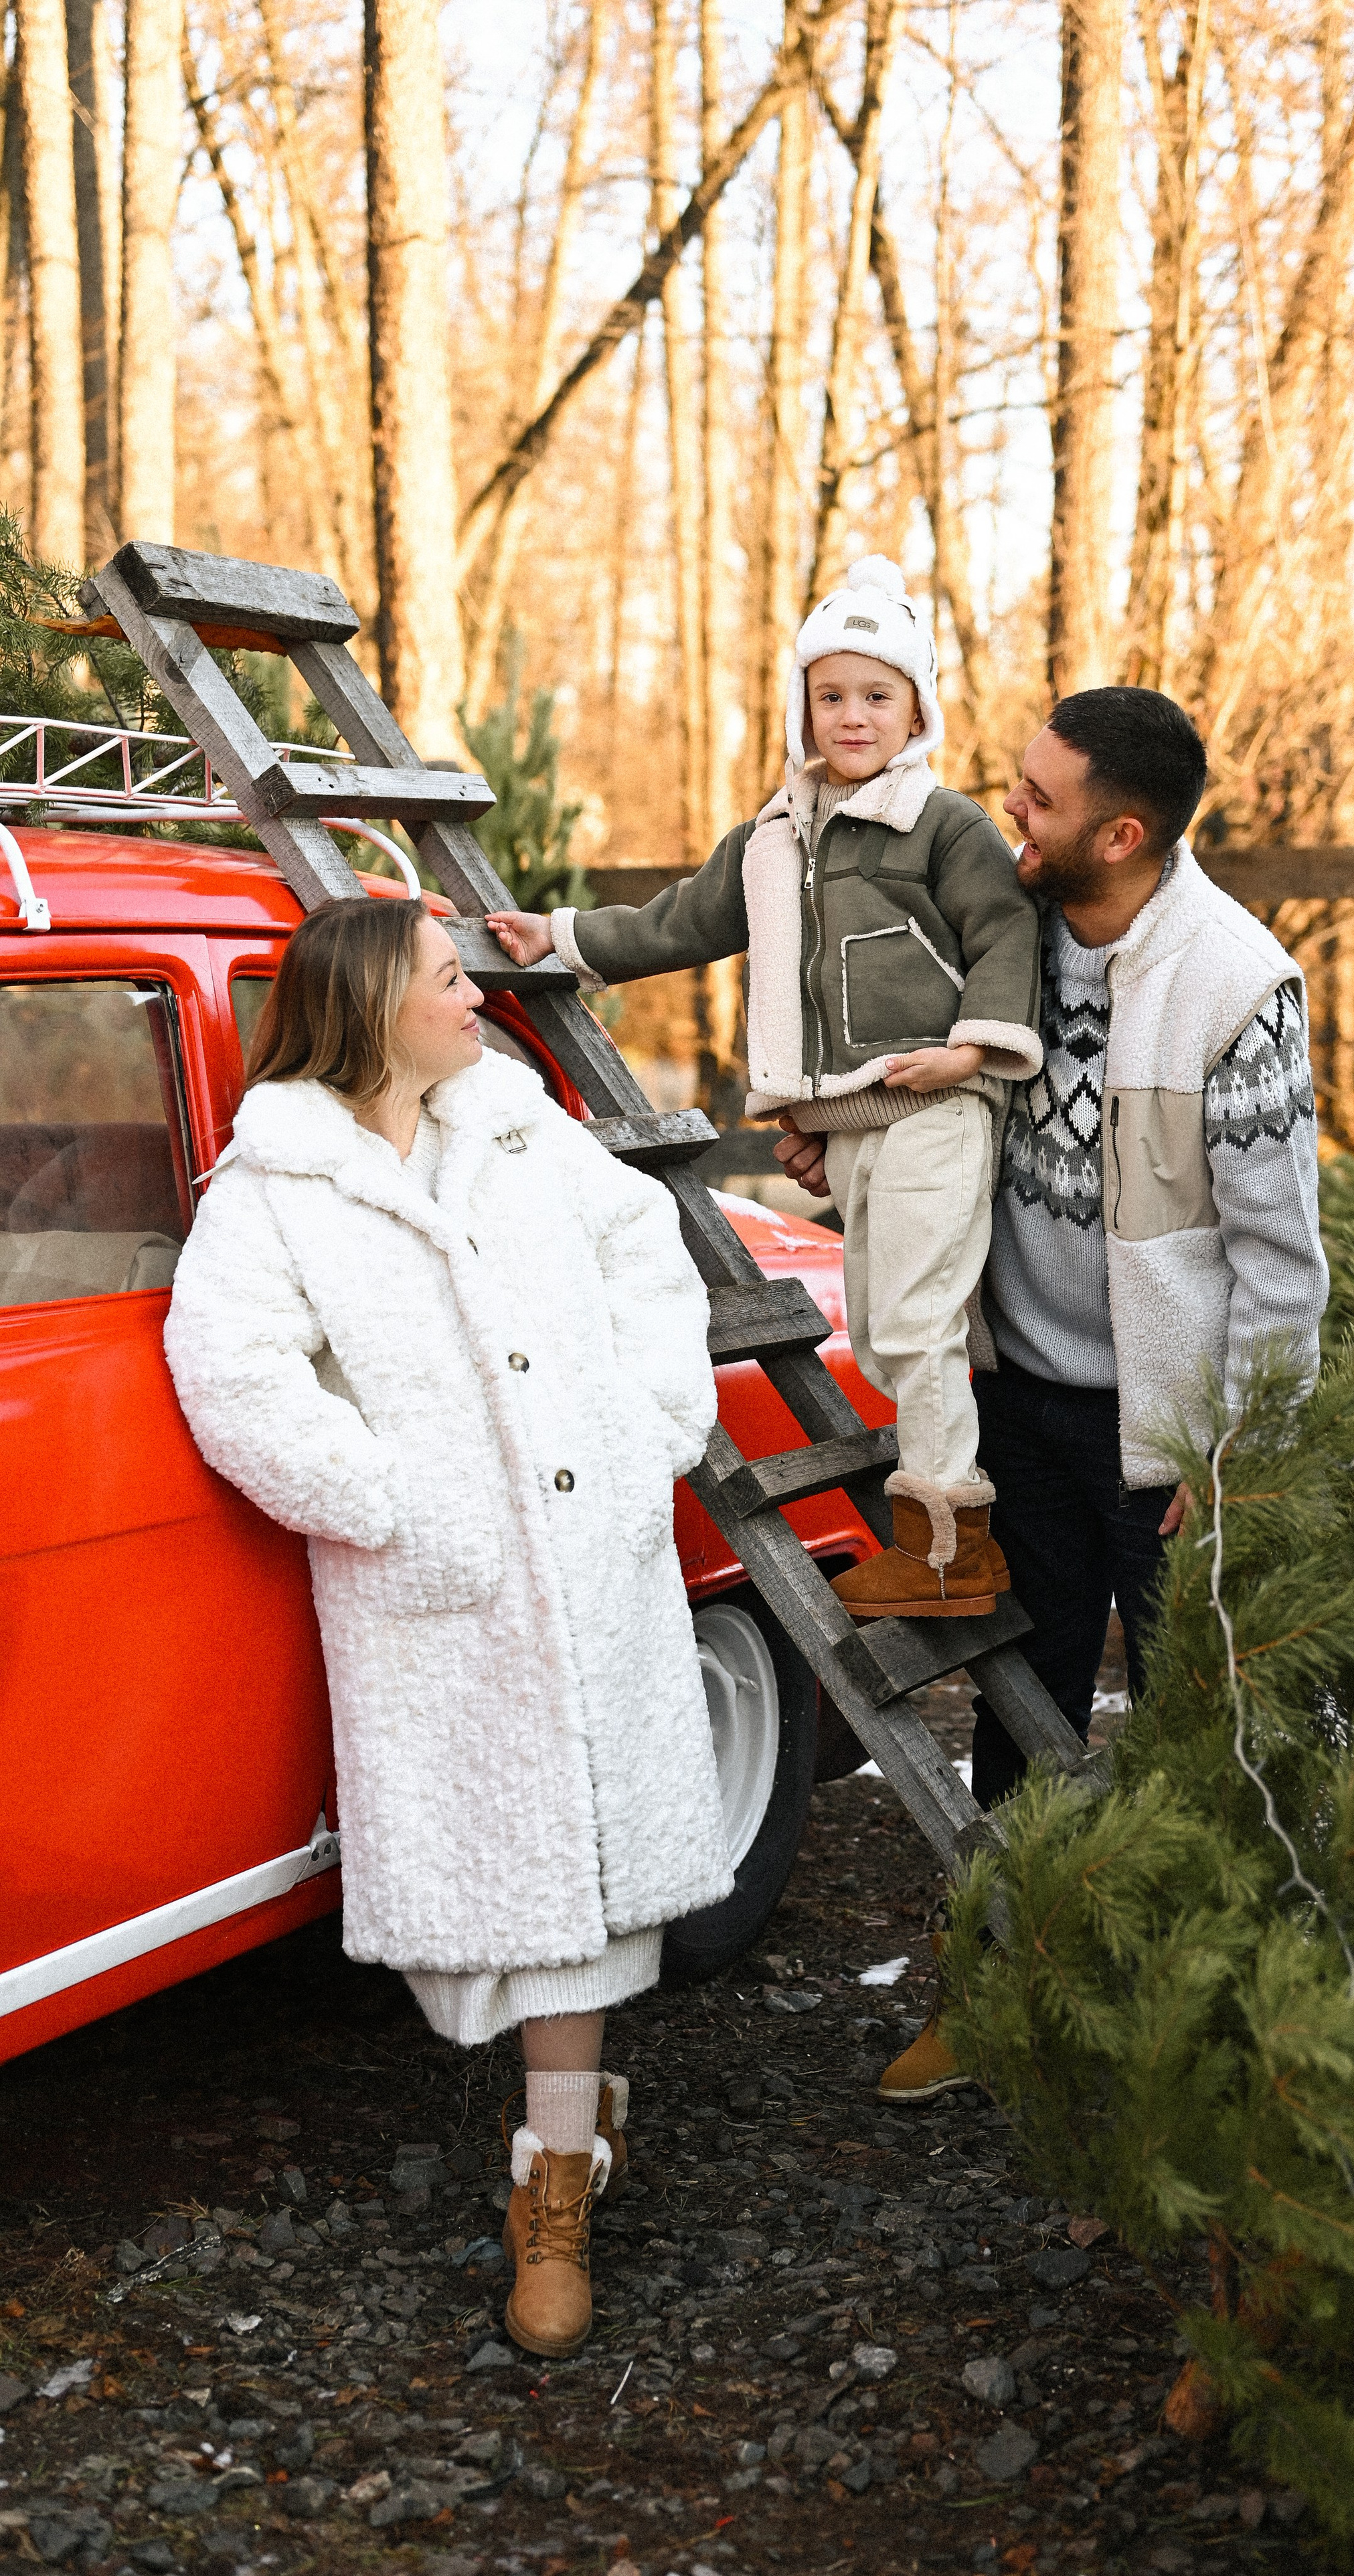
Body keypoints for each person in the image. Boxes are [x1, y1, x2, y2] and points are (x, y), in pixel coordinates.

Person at [163, 896, 732, 2355]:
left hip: (590, 1549)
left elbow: (643, 1248)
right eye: (444, 977)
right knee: (513, 1879)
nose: (475, 994)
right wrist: (388, 1495)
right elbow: (230, 1373)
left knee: (575, 1904)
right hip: (444, 1587)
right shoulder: (277, 1183)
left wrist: (650, 1415)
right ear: (370, 1007)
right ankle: (571, 2120)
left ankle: (555, 2178)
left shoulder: (521, 1126)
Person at [782, 688, 1331, 2103]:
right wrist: (848, 1150)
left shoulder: (1233, 986)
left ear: (1123, 831)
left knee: (1187, 1736)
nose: (1005, 807)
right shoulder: (1004, 927)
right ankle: (994, 1987)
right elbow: (937, 1103)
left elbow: (1281, 1262)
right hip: (1010, 1396)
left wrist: (1241, 1456)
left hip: (1167, 1438)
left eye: (1038, 796)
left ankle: (1183, 2036)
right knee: (1016, 1710)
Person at [488, 556, 1043, 1621]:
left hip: (937, 1102)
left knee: (920, 1321)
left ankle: (950, 1551)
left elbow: (1005, 935)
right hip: (852, 1126)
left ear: (917, 708)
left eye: (877, 695)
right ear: (802, 706)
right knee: (881, 1329)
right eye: (829, 694)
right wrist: (555, 936)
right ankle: (939, 1530)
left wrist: (973, 1053)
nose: (852, 716)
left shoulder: (945, 826)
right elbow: (679, 922)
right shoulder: (773, 838)